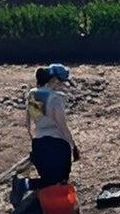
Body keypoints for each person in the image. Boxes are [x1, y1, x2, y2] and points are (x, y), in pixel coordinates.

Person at [11, 64, 78, 206]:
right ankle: (26, 184)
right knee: (59, 180)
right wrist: (73, 146)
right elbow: (62, 127)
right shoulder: (55, 99)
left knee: (49, 177)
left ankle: (26, 184)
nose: (62, 86)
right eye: (61, 82)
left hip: (40, 143)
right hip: (57, 146)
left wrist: (35, 143)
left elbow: (31, 124)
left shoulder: (33, 95)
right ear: (54, 80)